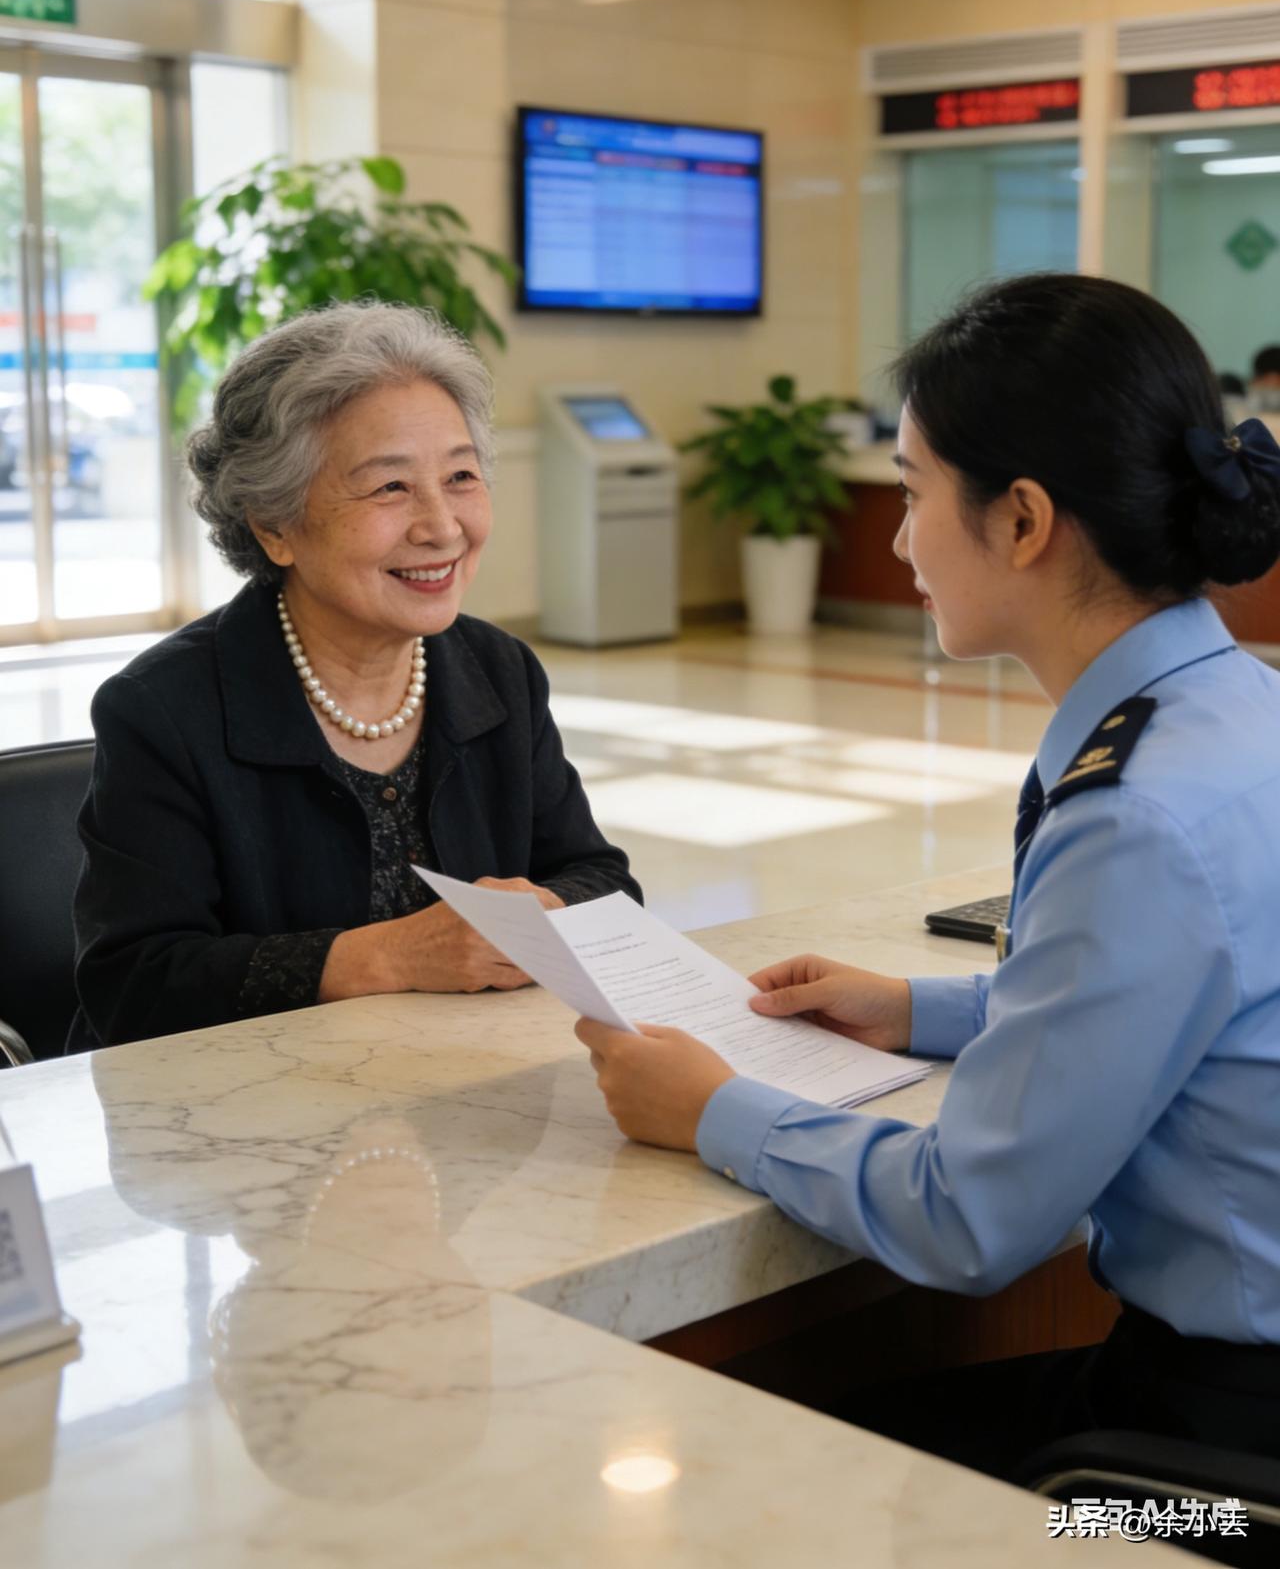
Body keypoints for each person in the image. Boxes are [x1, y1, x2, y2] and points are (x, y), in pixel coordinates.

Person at [577, 273, 1280, 1475]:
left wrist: (711, 1108)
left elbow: (970, 1217)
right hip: (1222, 1396)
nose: (900, 539)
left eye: (910, 493)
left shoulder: (1136, 814)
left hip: (1208, 1476)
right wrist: (918, 1007)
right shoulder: (1235, 711)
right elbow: (1181, 995)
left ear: (1021, 519)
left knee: (798, 1481)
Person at [71, 303, 640, 1048]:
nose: (443, 526)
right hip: (255, 1100)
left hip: (469, 1081)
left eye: (460, 476)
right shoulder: (162, 708)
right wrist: (389, 957)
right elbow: (136, 986)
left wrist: (550, 911)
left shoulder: (499, 670)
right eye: (390, 487)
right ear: (273, 524)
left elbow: (604, 882)